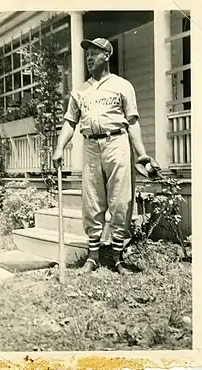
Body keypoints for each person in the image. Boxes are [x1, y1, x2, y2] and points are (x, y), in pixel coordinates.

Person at [52, 37, 159, 275]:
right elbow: (70, 122)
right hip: (90, 145)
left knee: (121, 200)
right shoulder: (80, 90)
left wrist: (141, 154)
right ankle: (93, 257)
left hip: (117, 142)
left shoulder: (122, 85)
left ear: (107, 56)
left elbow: (132, 122)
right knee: (92, 200)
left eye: (94, 53)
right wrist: (60, 147)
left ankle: (117, 258)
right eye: (87, 54)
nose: (89, 58)